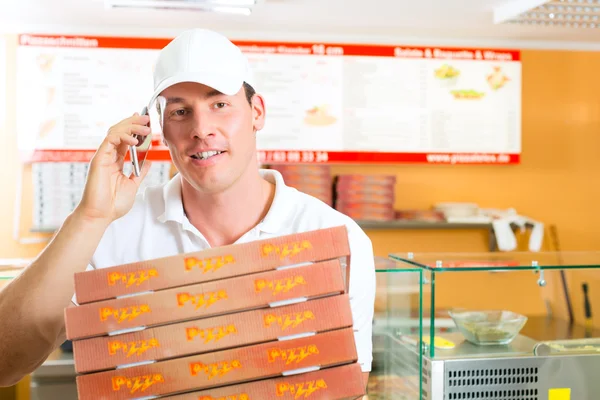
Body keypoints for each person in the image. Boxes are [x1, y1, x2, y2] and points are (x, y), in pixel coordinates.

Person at [0, 28, 376, 388]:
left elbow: (347, 386)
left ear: (256, 111)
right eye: (180, 111)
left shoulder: (338, 240)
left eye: (220, 104)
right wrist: (91, 216)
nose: (201, 128)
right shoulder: (108, 232)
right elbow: (4, 362)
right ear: (157, 126)